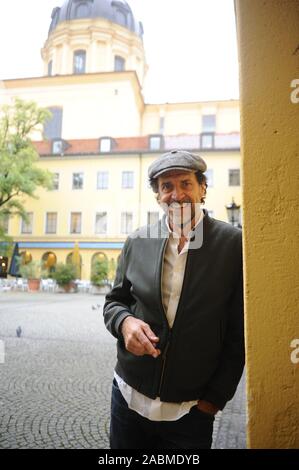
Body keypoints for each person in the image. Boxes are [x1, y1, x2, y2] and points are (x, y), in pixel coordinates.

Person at [103, 149, 244, 449]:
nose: (176, 194)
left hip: (190, 412)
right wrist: (125, 323)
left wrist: (213, 401)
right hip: (128, 398)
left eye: (185, 184)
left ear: (202, 188)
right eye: (166, 186)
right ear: (157, 195)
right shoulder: (137, 241)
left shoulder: (233, 245)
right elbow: (114, 302)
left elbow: (239, 331)